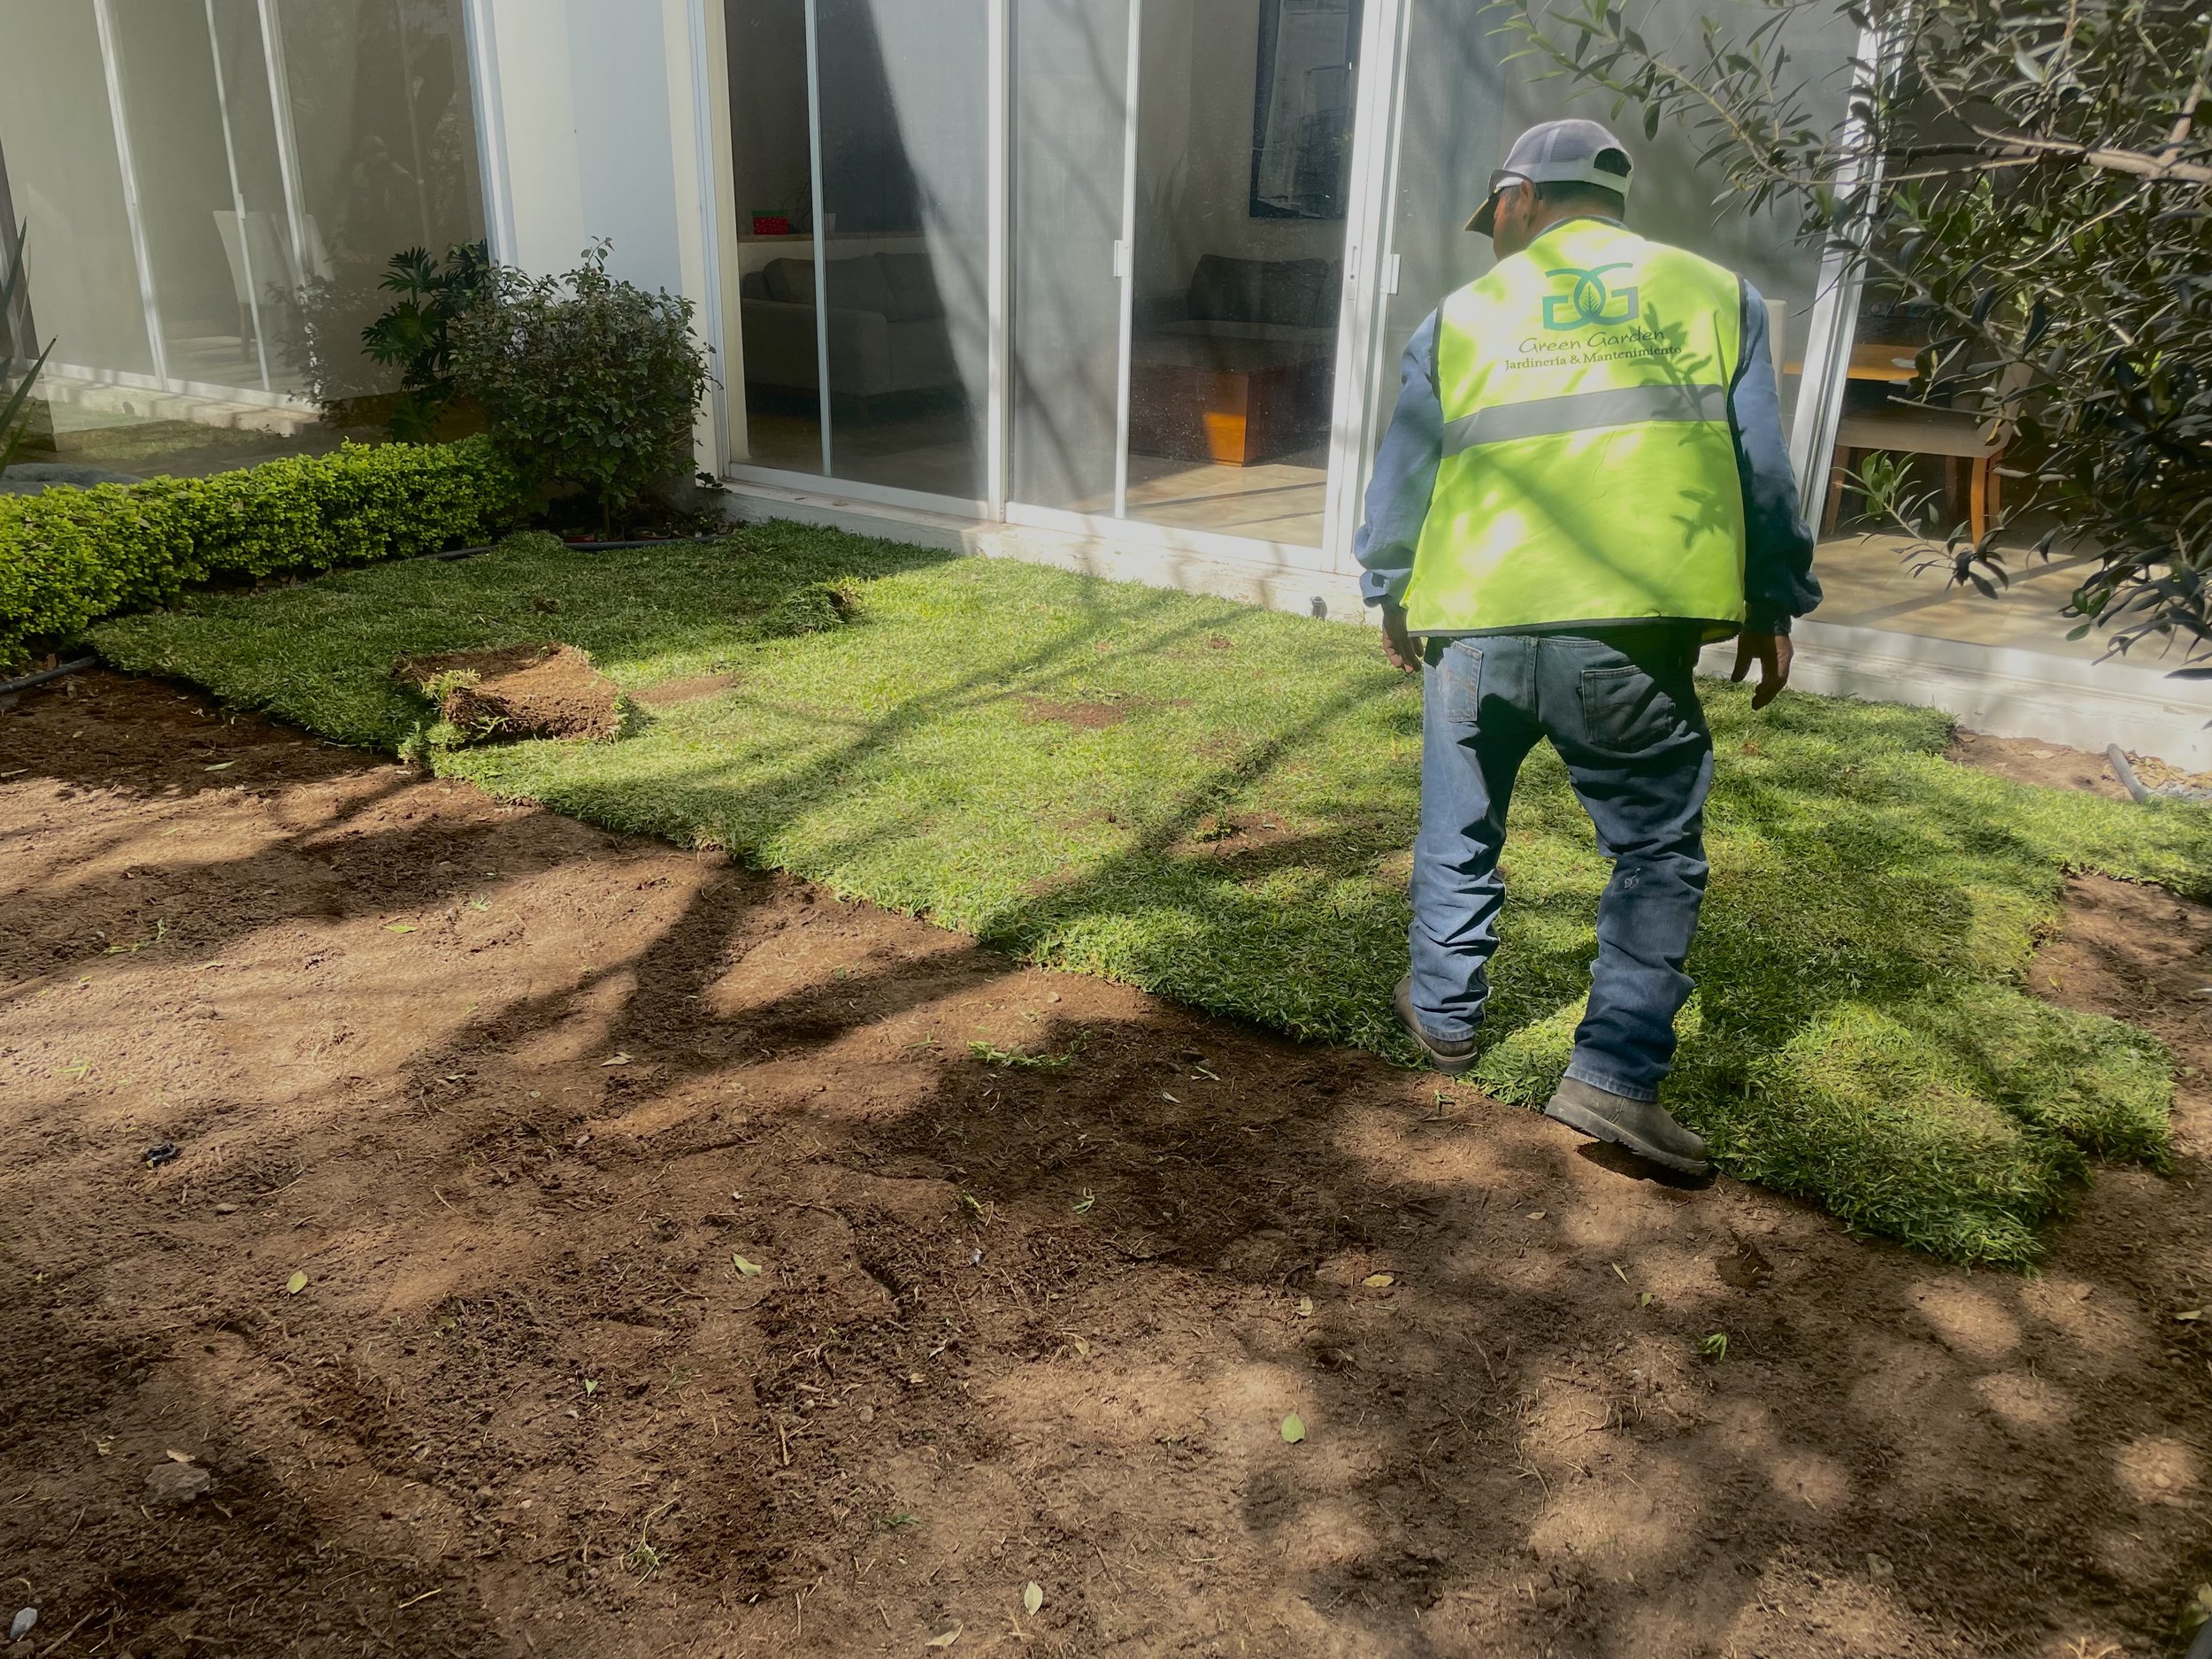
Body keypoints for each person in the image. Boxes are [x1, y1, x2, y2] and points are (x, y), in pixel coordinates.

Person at [1356, 118, 1819, 1179]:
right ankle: (1611, 1080)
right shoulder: (1713, 296)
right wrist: (1770, 601)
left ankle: (1441, 1011)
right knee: (1653, 853)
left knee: (1458, 822)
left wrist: (1388, 587)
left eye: (1494, 218)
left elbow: (1403, 476)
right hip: (1628, 636)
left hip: (1474, 623)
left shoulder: (1462, 316)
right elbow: (1762, 472)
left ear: (1518, 196)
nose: (1493, 238)